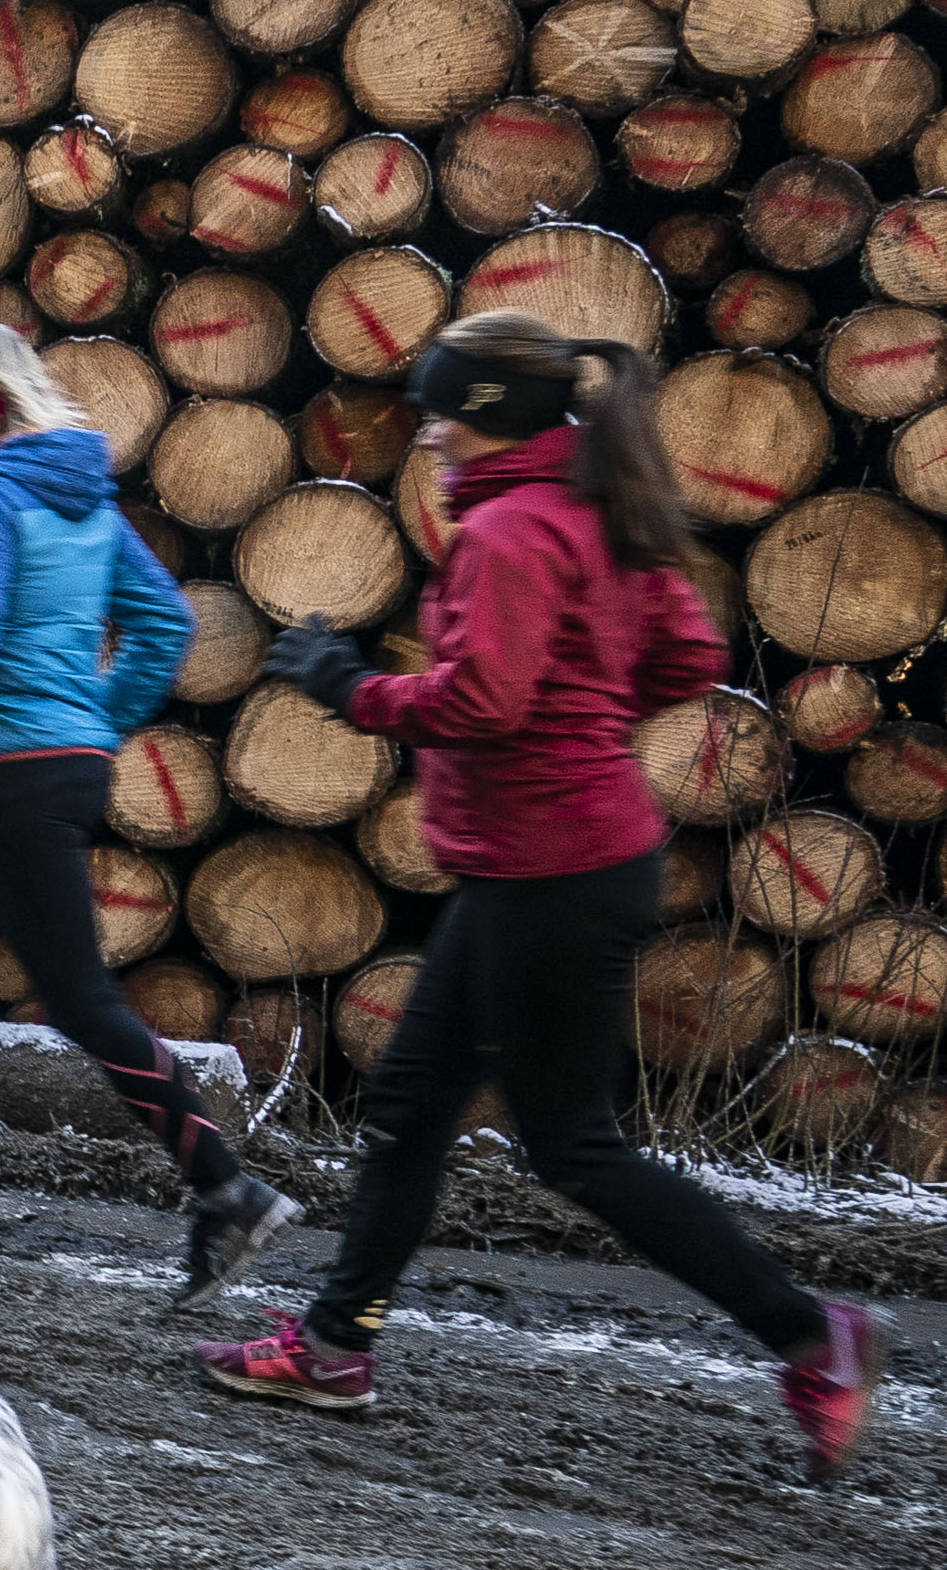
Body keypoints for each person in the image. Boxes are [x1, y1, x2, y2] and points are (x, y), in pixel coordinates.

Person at [194, 314, 884, 1476]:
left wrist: (347, 686)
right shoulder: (594, 498)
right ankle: (333, 1346)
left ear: (490, 417)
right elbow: (681, 658)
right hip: (553, 855)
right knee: (410, 1107)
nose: (425, 434)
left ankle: (814, 1337)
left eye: (440, 410)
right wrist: (583, 707)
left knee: (569, 1145)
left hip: (547, 864)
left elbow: (479, 706)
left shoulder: (510, 530)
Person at [0, 322, 297, 1295]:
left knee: (77, 1002)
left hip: (15, 773)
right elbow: (160, 625)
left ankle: (226, 1188)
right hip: (47, 769)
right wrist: (90, 722)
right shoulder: (81, 506)